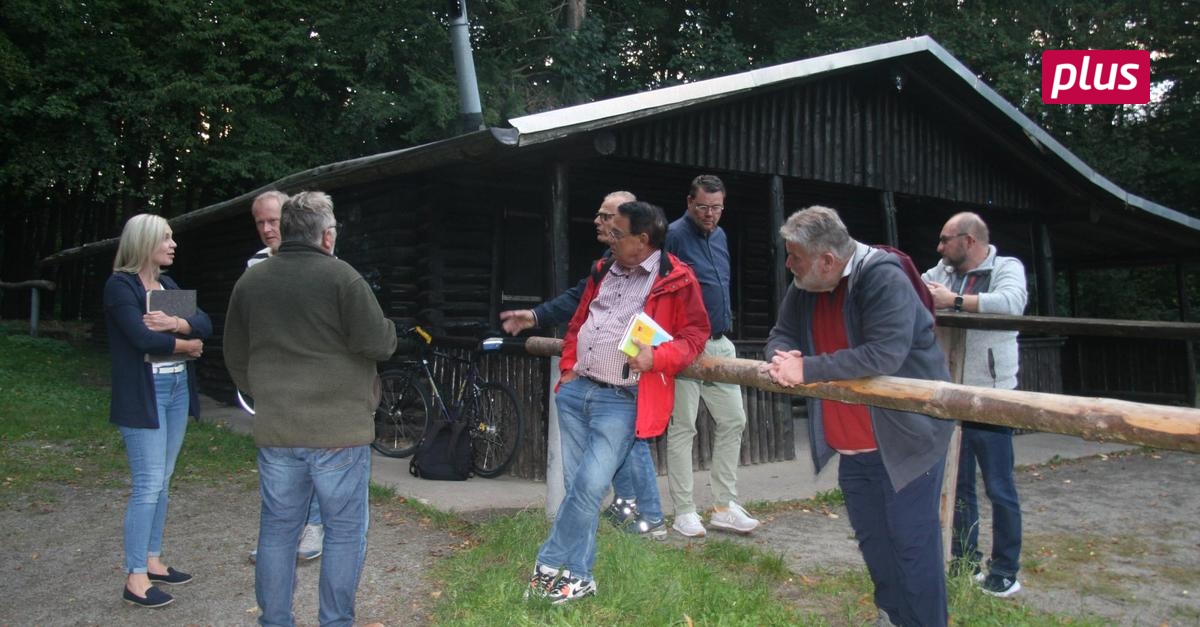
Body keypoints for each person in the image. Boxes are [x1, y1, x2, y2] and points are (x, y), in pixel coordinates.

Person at [763, 206, 953, 627]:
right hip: (854, 447)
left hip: (906, 443)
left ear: (827, 260)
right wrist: (782, 357)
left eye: (794, 255)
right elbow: (782, 332)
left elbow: (885, 353)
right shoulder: (805, 284)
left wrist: (807, 369)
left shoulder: (882, 276)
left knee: (912, 546)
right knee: (875, 543)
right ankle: (893, 616)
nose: (788, 263)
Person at [223, 191, 397, 626]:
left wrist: (268, 396)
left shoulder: (252, 281)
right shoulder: (343, 279)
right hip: (340, 433)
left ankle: (274, 620)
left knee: (278, 531)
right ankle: (335, 621)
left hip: (278, 431)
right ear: (326, 235)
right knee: (343, 533)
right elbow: (377, 343)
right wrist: (390, 328)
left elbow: (234, 354)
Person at [524, 201, 709, 604]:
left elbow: (695, 338)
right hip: (577, 392)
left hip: (622, 399)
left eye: (617, 232)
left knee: (589, 487)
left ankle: (549, 562)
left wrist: (657, 358)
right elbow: (579, 320)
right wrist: (569, 367)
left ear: (642, 241)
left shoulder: (678, 279)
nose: (609, 236)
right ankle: (579, 576)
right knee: (579, 488)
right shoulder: (604, 268)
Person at [500, 191, 668, 538]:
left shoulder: (656, 268)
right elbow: (577, 302)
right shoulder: (607, 264)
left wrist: (661, 354)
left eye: (606, 216)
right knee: (622, 448)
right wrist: (536, 317)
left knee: (631, 444)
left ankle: (646, 515)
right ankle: (629, 511)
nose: (598, 221)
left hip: (634, 381)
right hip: (595, 378)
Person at [104, 213, 212, 608]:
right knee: (149, 482)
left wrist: (177, 323)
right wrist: (187, 345)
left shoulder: (164, 285)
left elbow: (203, 324)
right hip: (144, 394)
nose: (173, 244)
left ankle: (152, 560)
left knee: (163, 479)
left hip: (176, 389)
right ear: (145, 242)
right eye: (165, 238)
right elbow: (140, 338)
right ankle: (135, 578)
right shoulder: (122, 286)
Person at [923, 211, 1028, 598]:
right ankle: (965, 561)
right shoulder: (940, 271)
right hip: (950, 395)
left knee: (1000, 487)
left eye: (944, 239)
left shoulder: (1006, 267)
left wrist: (957, 302)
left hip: (992, 399)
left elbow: (1012, 303)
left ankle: (1004, 571)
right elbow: (913, 290)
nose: (939, 247)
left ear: (967, 241)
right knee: (958, 483)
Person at [665, 174, 759, 537]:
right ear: (689, 202)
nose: (710, 214)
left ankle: (723, 506)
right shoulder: (673, 234)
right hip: (686, 343)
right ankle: (684, 511)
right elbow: (659, 286)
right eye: (703, 207)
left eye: (717, 208)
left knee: (734, 420)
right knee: (684, 427)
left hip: (720, 343)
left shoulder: (720, 236)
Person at [244, 190, 324, 564]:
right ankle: (279, 536)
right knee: (278, 465)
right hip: (275, 384)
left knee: (316, 458)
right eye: (260, 222)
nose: (266, 229)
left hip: (314, 383)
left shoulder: (324, 261)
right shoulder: (254, 266)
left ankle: (313, 526)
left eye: (273, 221)